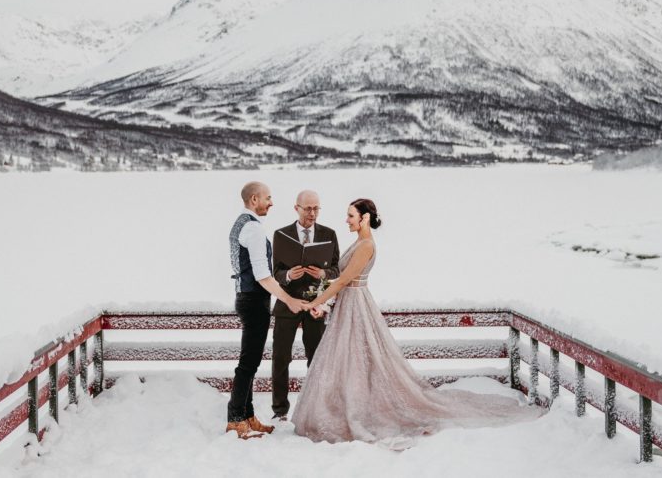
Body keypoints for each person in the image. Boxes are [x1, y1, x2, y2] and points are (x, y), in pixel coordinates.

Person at [292, 198, 543, 446]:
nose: (346, 220)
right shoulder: (358, 241)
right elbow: (337, 278)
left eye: (350, 215)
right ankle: (345, 405)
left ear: (364, 218)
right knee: (347, 359)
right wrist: (324, 303)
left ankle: (359, 411)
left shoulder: (366, 244)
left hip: (356, 305)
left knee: (359, 358)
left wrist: (315, 303)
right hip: (346, 305)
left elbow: (344, 279)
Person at [226, 181, 309, 439]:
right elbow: (262, 275)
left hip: (246, 298)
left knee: (250, 360)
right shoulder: (252, 228)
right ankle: (235, 418)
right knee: (248, 362)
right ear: (254, 199)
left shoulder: (243, 223)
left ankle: (247, 415)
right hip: (254, 301)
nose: (271, 203)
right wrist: (289, 300)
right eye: (268, 198)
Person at [270, 190, 341, 420]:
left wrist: (323, 273)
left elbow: (336, 270)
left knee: (316, 358)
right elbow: (275, 272)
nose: (312, 213)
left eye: (316, 208)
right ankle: (279, 411)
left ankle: (315, 408)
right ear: (296, 208)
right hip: (288, 304)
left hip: (315, 305)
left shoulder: (329, 234)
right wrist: (289, 274)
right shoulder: (281, 235)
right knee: (281, 357)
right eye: (308, 208)